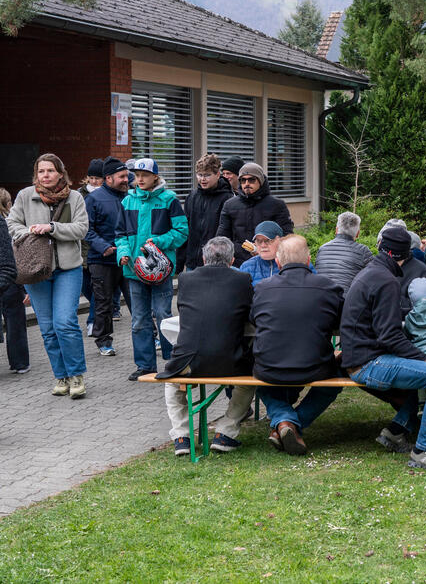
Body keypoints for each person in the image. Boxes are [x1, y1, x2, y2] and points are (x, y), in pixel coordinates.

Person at [340, 227, 426, 472]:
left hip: (359, 357)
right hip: (369, 363)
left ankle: (399, 430)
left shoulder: (371, 273)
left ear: (381, 247)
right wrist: (425, 358)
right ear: (405, 256)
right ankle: (425, 451)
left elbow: (382, 319)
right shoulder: (387, 281)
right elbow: (390, 336)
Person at [158, 237, 255, 455]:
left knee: (172, 383)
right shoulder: (242, 279)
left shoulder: (185, 279)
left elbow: (184, 311)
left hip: (188, 361)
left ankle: (182, 436)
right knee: (249, 381)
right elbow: (250, 313)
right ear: (232, 260)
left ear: (203, 258)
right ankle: (226, 432)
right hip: (230, 362)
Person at [250, 235, 343, 456]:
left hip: (269, 367)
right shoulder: (329, 287)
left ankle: (284, 422)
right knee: (335, 380)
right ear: (309, 259)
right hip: (316, 366)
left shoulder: (262, 288)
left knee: (261, 381)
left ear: (278, 262)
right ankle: (290, 422)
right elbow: (340, 322)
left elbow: (254, 319)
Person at [8, 154, 90, 397]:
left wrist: (52, 228)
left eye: (50, 171)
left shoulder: (74, 197)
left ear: (60, 173)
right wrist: (29, 232)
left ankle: (76, 375)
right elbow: (12, 224)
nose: (45, 175)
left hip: (68, 269)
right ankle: (61, 376)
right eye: (41, 171)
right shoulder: (25, 196)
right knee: (47, 328)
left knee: (65, 322)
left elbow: (82, 228)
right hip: (36, 269)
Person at [116, 158, 189, 381]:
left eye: (145, 175)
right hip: (134, 270)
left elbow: (182, 231)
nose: (140, 179)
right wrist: (123, 253)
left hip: (161, 269)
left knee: (163, 315)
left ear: (155, 176)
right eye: (137, 175)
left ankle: (171, 362)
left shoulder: (169, 199)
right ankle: (145, 365)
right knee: (139, 319)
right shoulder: (128, 200)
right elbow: (120, 234)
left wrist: (158, 241)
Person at [84, 156, 133, 355]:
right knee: (103, 304)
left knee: (137, 300)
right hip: (102, 260)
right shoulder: (93, 199)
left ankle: (151, 335)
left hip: (129, 259)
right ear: (108, 178)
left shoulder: (131, 197)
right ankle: (104, 341)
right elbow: (86, 229)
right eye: (121, 177)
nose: (126, 180)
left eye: (127, 176)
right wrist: (103, 246)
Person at [216, 162, 294, 265]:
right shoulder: (229, 205)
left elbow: (287, 236)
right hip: (238, 262)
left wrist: (264, 249)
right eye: (243, 180)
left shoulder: (277, 205)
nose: (247, 183)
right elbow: (222, 238)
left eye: (251, 180)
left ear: (260, 181)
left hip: (269, 262)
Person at [183, 153, 234, 272]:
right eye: (200, 175)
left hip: (217, 262)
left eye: (207, 175)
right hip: (192, 261)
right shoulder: (192, 197)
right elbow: (185, 229)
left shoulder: (228, 198)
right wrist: (181, 260)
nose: (203, 179)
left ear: (218, 175)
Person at [0, 191, 30, 375]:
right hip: (12, 278)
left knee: (15, 321)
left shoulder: (7, 223)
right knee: (15, 323)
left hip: (8, 275)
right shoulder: (11, 223)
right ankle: (20, 363)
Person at [315, 211, 373, 291]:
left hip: (321, 297)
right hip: (348, 298)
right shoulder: (364, 251)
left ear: (336, 230)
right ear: (357, 233)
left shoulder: (322, 249)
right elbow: (373, 280)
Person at [78, 157, 104, 335]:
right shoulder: (78, 195)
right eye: (91, 178)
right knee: (85, 288)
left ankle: (93, 321)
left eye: (97, 178)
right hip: (80, 251)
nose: (93, 181)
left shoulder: (107, 195)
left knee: (97, 289)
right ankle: (104, 309)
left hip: (98, 250)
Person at [240, 220, 284, 286]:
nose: (263, 245)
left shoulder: (289, 265)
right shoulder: (247, 267)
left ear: (280, 241)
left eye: (268, 240)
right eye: (259, 241)